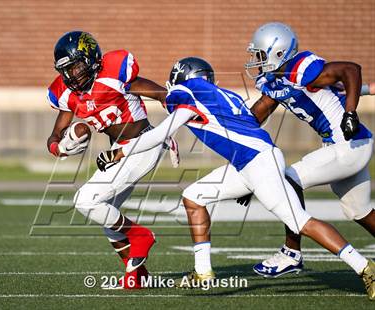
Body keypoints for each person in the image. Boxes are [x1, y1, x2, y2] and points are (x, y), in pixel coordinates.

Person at [96, 56, 375, 299]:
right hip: (252, 162)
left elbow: (160, 132)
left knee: (299, 221)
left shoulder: (188, 92)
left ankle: (364, 267)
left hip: (257, 163)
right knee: (194, 196)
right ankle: (203, 271)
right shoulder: (223, 96)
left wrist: (120, 152)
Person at [243, 22, 374, 278]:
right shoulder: (274, 81)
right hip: (347, 147)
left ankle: (291, 253)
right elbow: (257, 114)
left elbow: (350, 69)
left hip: (348, 145)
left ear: (278, 52)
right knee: (359, 210)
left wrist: (350, 112)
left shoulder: (301, 70)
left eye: (260, 54)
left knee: (288, 179)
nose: (256, 60)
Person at [46, 30, 174, 289]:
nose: (72, 75)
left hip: (143, 145)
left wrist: (174, 126)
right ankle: (138, 276)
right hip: (119, 150)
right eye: (66, 70)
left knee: (86, 200)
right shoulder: (67, 93)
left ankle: (140, 235)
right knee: (105, 213)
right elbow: (56, 133)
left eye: (77, 66)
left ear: (92, 59)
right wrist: (59, 147)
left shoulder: (113, 75)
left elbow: (164, 96)